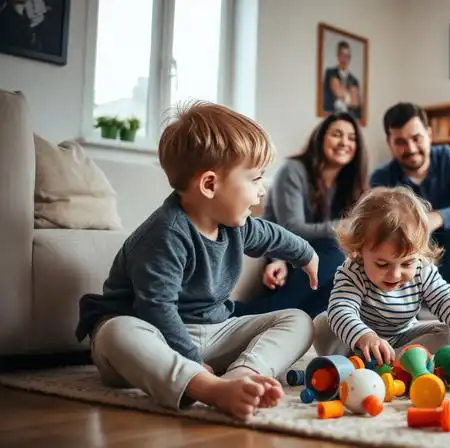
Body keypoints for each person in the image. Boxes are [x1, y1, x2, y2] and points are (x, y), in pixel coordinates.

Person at [74, 102, 320, 421]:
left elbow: (271, 235)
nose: (262, 191)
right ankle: (205, 387)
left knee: (299, 320)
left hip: (213, 332)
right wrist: (191, 361)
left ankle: (242, 374)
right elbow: (158, 308)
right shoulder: (165, 234)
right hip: (152, 337)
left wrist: (307, 255)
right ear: (209, 184)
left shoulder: (235, 225)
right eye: (255, 178)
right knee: (115, 332)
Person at [313, 186, 450, 364]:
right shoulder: (353, 271)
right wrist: (364, 336)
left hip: (404, 337)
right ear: (360, 251)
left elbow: (445, 299)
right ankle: (371, 358)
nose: (395, 274)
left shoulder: (422, 269)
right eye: (382, 264)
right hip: (359, 340)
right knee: (323, 323)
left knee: (449, 334)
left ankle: (392, 360)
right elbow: (342, 308)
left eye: (406, 263)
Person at [236, 112, 368, 318]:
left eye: (351, 138)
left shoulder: (348, 184)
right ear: (320, 137)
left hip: (320, 263)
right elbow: (293, 228)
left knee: (348, 261)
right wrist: (345, 225)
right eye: (337, 134)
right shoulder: (293, 171)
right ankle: (252, 313)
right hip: (285, 254)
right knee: (335, 247)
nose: (344, 142)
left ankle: (304, 320)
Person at [370, 102, 450, 321]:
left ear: (429, 134)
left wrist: (438, 217)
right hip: (418, 254)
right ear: (390, 143)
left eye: (416, 138)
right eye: (400, 142)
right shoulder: (381, 178)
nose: (410, 148)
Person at [322, 40, 362, 121]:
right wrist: (349, 94)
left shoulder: (354, 80)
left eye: (347, 56)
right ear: (338, 56)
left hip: (349, 120)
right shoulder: (330, 73)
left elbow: (356, 104)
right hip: (332, 118)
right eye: (342, 55)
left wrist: (344, 95)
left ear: (350, 58)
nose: (344, 59)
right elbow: (338, 93)